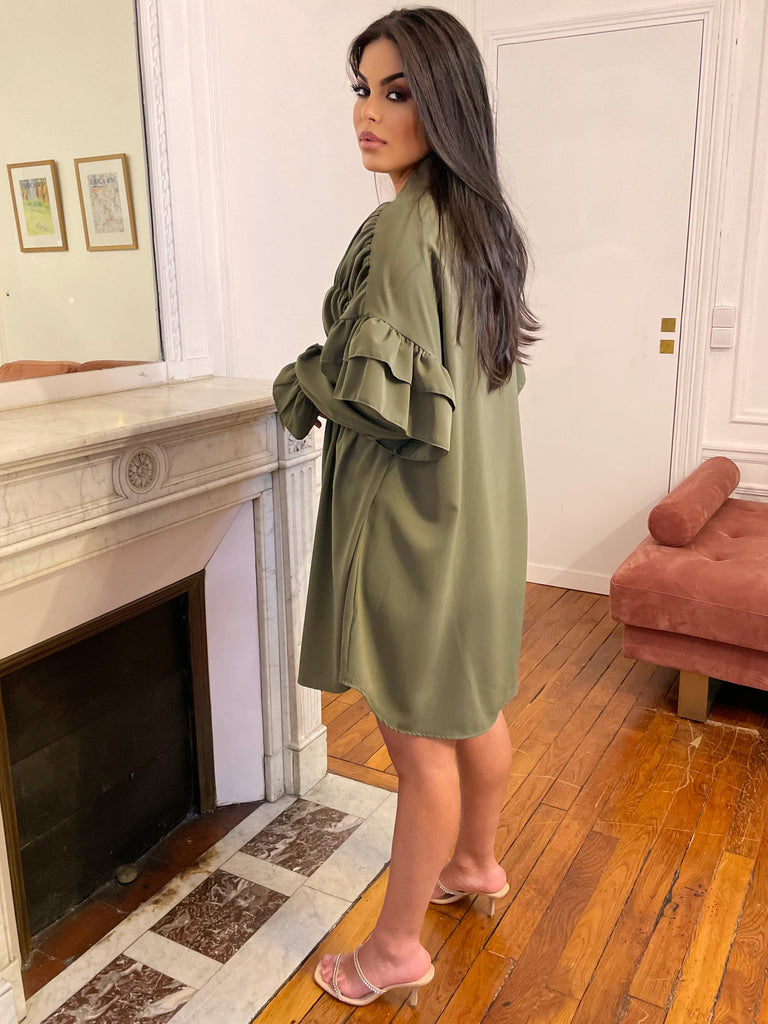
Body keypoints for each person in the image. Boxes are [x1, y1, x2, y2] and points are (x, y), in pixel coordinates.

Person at [272, 6, 537, 1009]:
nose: (367, 113)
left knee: (419, 742)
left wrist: (300, 380)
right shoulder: (483, 228)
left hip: (413, 520)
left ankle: (392, 951)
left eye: (396, 92)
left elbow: (377, 392)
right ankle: (476, 861)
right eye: (362, 90)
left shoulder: (399, 228)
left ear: (447, 104)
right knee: (472, 705)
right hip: (481, 513)